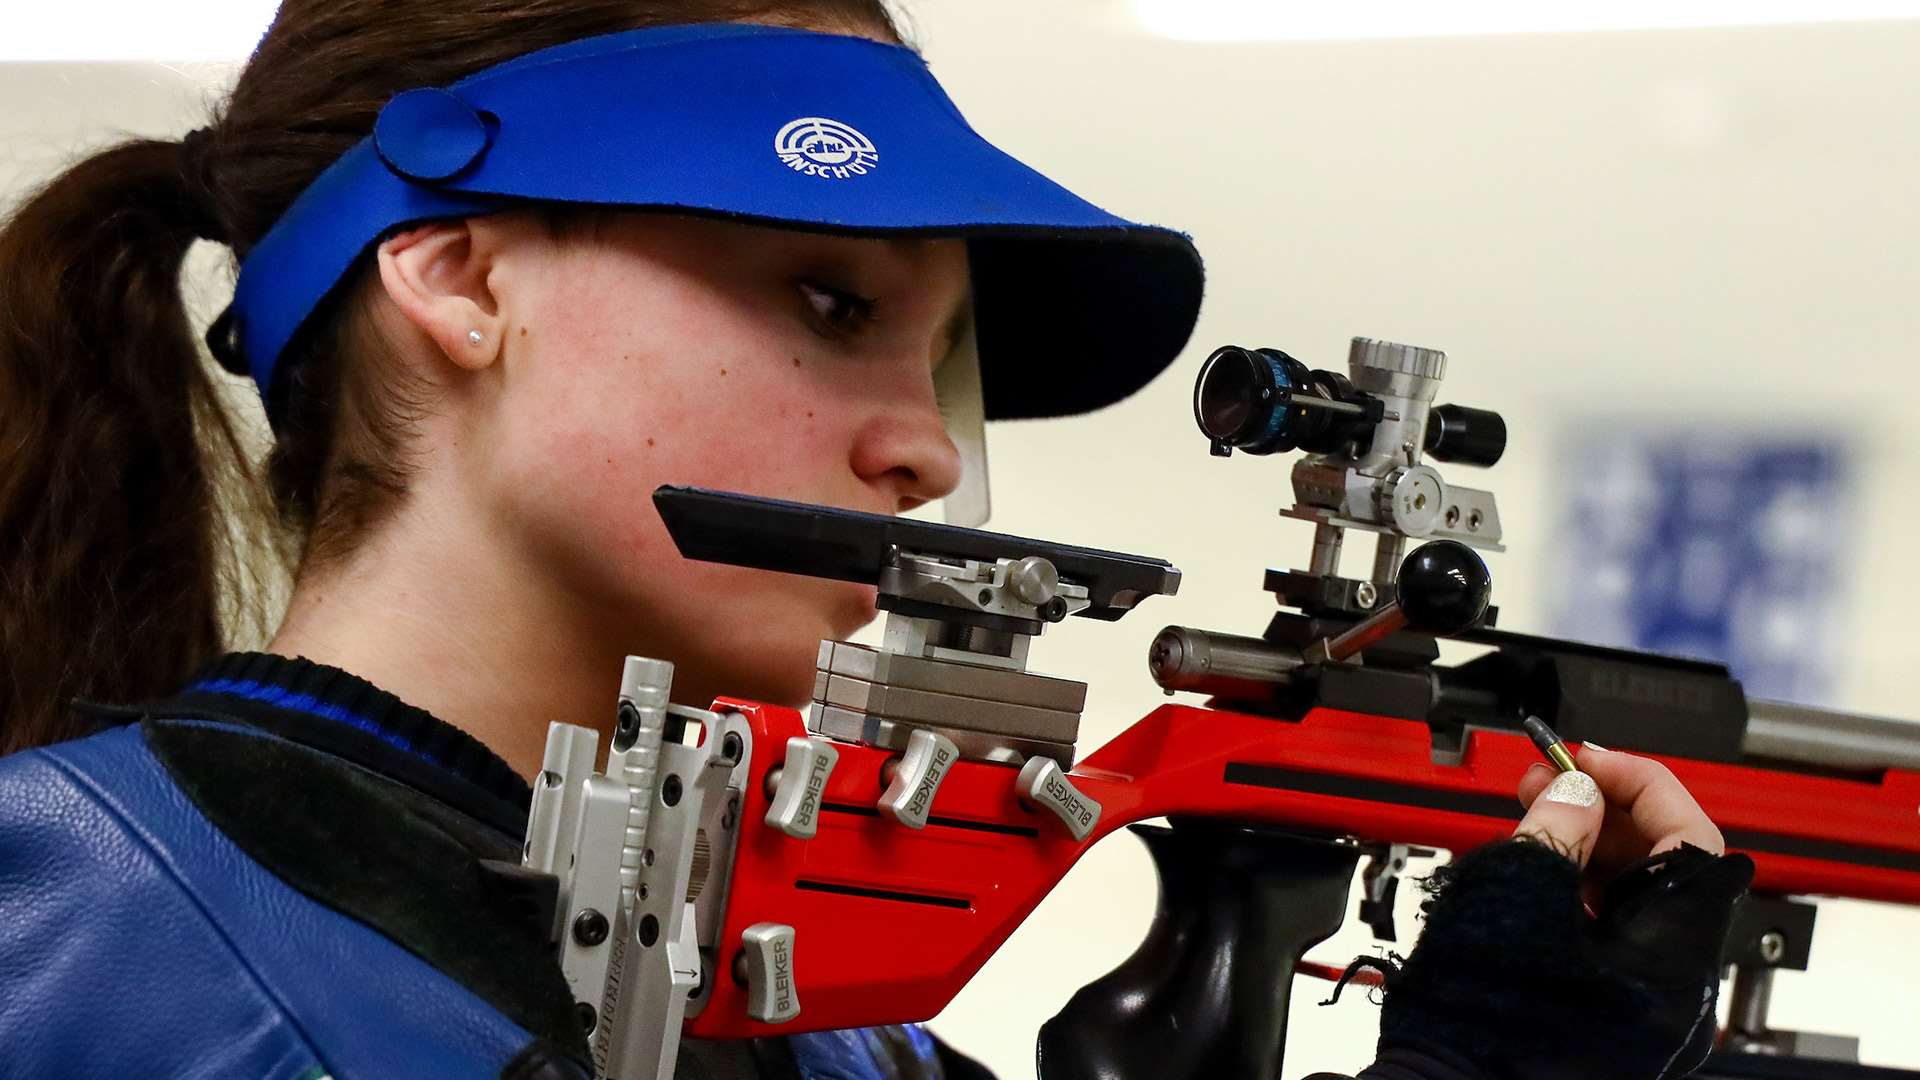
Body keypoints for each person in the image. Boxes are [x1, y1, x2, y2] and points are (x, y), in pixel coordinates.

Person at [0, 2, 1750, 1078]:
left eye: (943, 360)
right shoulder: (61, 922)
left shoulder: (833, 1023)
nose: (921, 449)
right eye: (832, 298)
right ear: (459, 274)